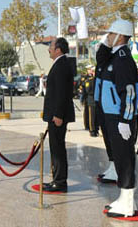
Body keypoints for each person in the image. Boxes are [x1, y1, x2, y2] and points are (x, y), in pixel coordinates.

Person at [95, 19, 138, 218]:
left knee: (125, 159)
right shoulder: (113, 57)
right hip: (112, 115)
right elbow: (100, 60)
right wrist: (105, 44)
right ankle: (123, 197)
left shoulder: (123, 59)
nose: (108, 37)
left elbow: (129, 92)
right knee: (120, 158)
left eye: (111, 34)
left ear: (120, 36)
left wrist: (125, 119)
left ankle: (128, 202)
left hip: (120, 117)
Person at [42, 37, 75, 193]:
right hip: (54, 115)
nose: (49, 49)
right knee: (55, 148)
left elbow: (62, 93)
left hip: (58, 116)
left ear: (58, 49)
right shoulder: (59, 64)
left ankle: (60, 182)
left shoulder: (62, 65)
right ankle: (57, 179)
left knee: (58, 148)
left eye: (51, 46)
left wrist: (58, 115)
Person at [80, 64, 98, 137]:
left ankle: (95, 129)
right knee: (91, 116)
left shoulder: (96, 79)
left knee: (96, 116)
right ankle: (92, 130)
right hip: (91, 99)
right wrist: (83, 99)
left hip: (96, 100)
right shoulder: (88, 80)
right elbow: (86, 90)